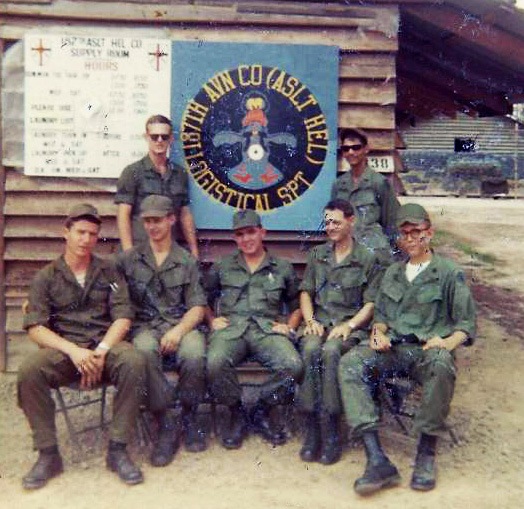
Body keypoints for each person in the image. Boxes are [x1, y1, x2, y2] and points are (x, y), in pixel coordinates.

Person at [338, 203, 476, 495]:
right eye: (405, 234)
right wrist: (377, 334)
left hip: (428, 351)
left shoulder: (449, 273)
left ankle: (426, 453)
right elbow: (381, 317)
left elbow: (466, 325)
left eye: (417, 232)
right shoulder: (393, 272)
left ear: (430, 232)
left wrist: (446, 343)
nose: (411, 239)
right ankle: (377, 459)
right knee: (351, 363)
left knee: (441, 364)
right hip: (393, 350)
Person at [18, 204, 146, 489]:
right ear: (66, 232)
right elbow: (35, 327)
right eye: (80, 232)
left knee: (134, 361)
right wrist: (75, 352)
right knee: (29, 370)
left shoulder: (109, 272)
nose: (86, 239)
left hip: (104, 348)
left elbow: (123, 316)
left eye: (92, 234)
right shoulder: (46, 277)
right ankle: (48, 454)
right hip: (66, 352)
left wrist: (101, 351)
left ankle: (118, 449)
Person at [117, 195, 207, 463]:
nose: (152, 226)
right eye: (147, 221)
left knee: (194, 352)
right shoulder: (129, 259)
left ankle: (190, 415)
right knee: (144, 350)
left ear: (171, 220)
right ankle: (166, 420)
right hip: (145, 326)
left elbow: (197, 307)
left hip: (180, 325)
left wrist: (178, 331)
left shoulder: (187, 261)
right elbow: (98, 276)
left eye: (157, 220)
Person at [205, 210, 303, 449]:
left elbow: (297, 304)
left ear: (262, 232)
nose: (246, 239)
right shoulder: (222, 266)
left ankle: (261, 409)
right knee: (215, 362)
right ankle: (237, 411)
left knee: (292, 365)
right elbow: (202, 299)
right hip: (231, 330)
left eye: (250, 232)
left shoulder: (281, 267)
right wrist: (211, 320)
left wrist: (289, 327)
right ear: (235, 238)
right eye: (240, 234)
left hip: (267, 330)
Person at [297, 199, 383, 465]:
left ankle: (332, 428)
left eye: (336, 222)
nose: (331, 227)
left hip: (348, 327)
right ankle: (312, 428)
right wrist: (310, 320)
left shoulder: (366, 258)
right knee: (311, 348)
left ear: (351, 221)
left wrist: (350, 325)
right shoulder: (318, 255)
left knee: (332, 351)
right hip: (320, 323)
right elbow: (306, 292)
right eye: (327, 222)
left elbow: (371, 302)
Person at [115, 114, 199, 257]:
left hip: (169, 252)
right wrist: (129, 252)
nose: (159, 140)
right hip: (140, 251)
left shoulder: (180, 174)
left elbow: (184, 214)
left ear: (171, 139)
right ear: (146, 137)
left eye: (164, 137)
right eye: (154, 136)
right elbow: (123, 214)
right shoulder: (132, 172)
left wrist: (194, 250)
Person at [331, 128, 399, 263]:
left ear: (366, 149)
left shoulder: (379, 183)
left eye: (356, 147)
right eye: (346, 149)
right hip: (346, 253)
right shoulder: (339, 185)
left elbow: (392, 224)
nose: (351, 152)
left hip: (373, 255)